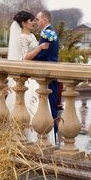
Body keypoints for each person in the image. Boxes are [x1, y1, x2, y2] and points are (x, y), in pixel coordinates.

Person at [7, 10, 55, 144]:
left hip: (36, 74)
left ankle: (40, 137)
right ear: (23, 23)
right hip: (28, 76)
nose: (34, 23)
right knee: (28, 103)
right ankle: (27, 137)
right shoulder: (22, 37)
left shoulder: (32, 35)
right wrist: (40, 47)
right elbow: (25, 57)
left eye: (35, 20)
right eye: (31, 21)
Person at [33, 10, 60, 139]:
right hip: (51, 72)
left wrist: (27, 58)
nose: (36, 22)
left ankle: (52, 136)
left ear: (44, 20)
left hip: (47, 74)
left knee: (50, 106)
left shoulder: (47, 33)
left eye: (37, 19)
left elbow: (42, 55)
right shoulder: (51, 32)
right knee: (50, 105)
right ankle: (52, 135)